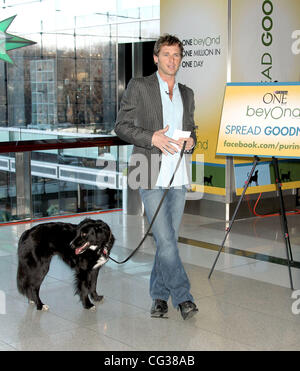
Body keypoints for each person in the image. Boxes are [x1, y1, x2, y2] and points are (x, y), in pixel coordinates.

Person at [115, 34, 198, 320]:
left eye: (176, 55)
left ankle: (159, 297)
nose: (172, 60)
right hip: (148, 172)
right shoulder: (139, 86)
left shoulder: (187, 93)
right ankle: (184, 297)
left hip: (178, 176)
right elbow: (121, 126)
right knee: (165, 239)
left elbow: (191, 128)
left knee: (168, 241)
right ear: (155, 58)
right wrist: (151, 137)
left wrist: (192, 141)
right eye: (166, 54)